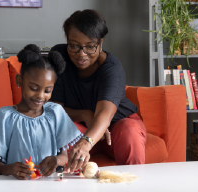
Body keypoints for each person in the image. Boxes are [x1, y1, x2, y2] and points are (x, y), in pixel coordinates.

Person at [50, 9, 147, 173]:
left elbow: (105, 113)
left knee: (129, 131)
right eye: (74, 45)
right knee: (57, 131)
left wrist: (86, 141)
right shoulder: (59, 57)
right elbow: (54, 109)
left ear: (100, 43)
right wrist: (83, 114)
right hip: (80, 127)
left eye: (90, 47)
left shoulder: (112, 69)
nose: (81, 54)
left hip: (118, 126)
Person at [0, 44, 82, 180]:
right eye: (33, 88)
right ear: (19, 80)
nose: (40, 96)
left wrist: (56, 161)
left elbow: (64, 156)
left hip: (48, 185)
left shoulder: (56, 113)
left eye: (47, 91)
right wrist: (12, 168)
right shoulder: (3, 117)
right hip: (16, 185)